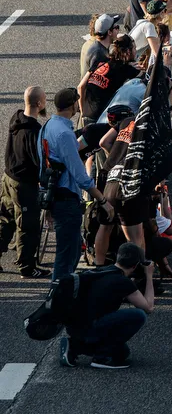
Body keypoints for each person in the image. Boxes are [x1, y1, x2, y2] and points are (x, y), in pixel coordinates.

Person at [39, 88, 115, 282]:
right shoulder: (65, 134)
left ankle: (60, 296)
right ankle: (58, 297)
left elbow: (43, 163)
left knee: (67, 252)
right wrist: (102, 199)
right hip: (66, 197)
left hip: (55, 193)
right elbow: (80, 174)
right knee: (69, 254)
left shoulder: (48, 126)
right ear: (73, 105)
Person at [60, 242, 155, 370]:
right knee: (139, 315)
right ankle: (102, 357)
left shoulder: (100, 271)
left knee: (122, 352)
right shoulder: (123, 282)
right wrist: (149, 276)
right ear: (135, 266)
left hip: (75, 327)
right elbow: (148, 307)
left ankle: (74, 346)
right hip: (91, 327)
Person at [0, 87, 48, 278]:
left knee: (5, 219)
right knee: (27, 225)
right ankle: (27, 266)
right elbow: (39, 162)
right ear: (39, 104)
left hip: (7, 179)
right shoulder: (34, 132)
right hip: (24, 184)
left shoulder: (16, 119)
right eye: (44, 100)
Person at [80, 13, 121, 82]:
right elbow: (94, 83)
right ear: (109, 32)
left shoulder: (98, 47)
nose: (118, 31)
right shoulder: (99, 54)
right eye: (116, 27)